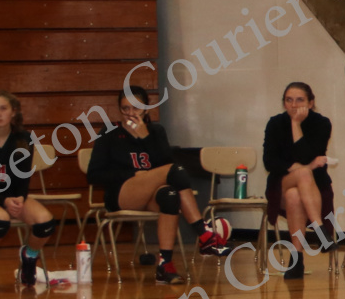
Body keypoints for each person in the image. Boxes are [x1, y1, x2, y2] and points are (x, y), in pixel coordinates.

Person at [86, 95, 234, 282]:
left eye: (136, 108)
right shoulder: (109, 132)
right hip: (122, 193)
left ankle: (165, 265)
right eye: (125, 108)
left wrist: (145, 138)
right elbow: (93, 175)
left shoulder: (156, 131)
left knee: (170, 195)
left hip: (151, 195)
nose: (130, 113)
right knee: (175, 170)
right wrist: (132, 174)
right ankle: (204, 233)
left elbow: (165, 164)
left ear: (146, 109)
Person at [0, 91, 60, 287]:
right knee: (0, 221)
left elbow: (23, 176)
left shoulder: (23, 138)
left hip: (12, 196)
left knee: (46, 223)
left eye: (3, 109)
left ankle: (29, 257)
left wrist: (20, 198)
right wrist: (3, 201)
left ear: (13, 111)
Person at [262, 82, 333, 281]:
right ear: (284, 103)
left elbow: (305, 154)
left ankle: (296, 261)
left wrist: (296, 125)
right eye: (289, 100)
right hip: (280, 184)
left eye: (300, 100)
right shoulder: (275, 123)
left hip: (314, 187)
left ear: (310, 103)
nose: (294, 105)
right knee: (302, 174)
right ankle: (320, 230)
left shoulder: (322, 123)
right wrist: (306, 166)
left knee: (294, 195)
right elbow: (269, 162)